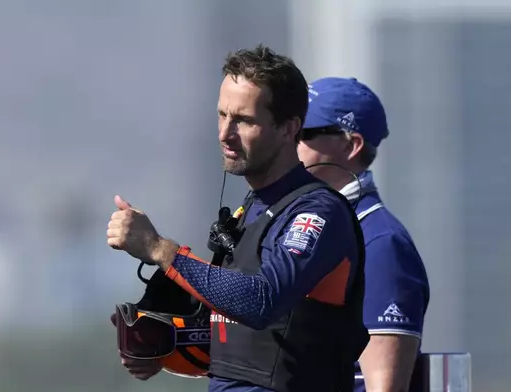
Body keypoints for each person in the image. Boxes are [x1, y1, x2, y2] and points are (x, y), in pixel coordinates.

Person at [106, 45, 369, 392]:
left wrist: (159, 249)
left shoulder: (317, 212)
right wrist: (162, 344)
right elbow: (239, 334)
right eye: (222, 115)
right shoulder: (253, 208)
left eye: (243, 120)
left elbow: (263, 301)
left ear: (289, 128)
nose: (224, 134)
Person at [296, 77, 430, 392]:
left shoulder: (382, 243)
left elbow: (383, 387)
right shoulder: (302, 225)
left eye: (304, 132)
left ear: (351, 145)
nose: (289, 141)